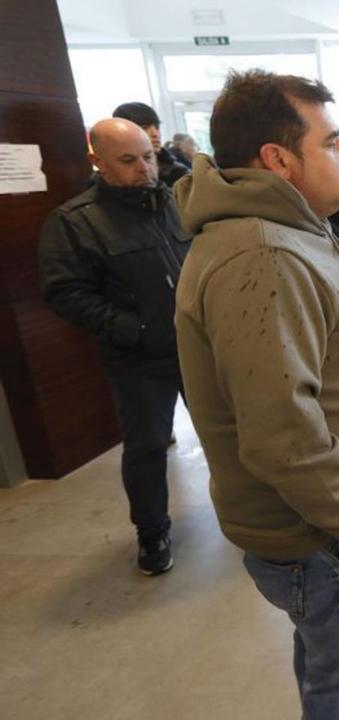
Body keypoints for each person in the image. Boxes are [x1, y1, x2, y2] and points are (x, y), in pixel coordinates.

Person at [173, 70, 339, 718]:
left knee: (327, 657)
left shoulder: (287, 230)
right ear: (279, 160)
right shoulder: (265, 254)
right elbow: (281, 434)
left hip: (318, 527)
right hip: (319, 533)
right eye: (331, 142)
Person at [40, 118, 189, 577]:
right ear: (97, 162)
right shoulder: (75, 222)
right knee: (146, 447)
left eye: (148, 156)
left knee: (230, 436)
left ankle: (249, 518)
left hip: (195, 349)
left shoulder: (172, 203)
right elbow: (65, 293)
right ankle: (152, 532)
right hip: (139, 360)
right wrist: (133, 330)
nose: (144, 168)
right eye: (128, 160)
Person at [111, 102, 190, 186]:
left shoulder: (179, 173)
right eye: (144, 128)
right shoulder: (109, 176)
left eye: (156, 127)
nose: (155, 134)